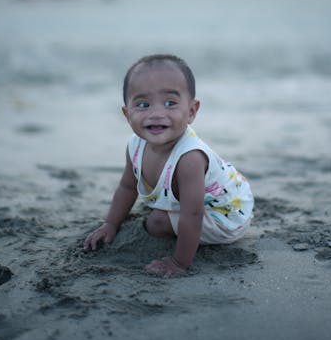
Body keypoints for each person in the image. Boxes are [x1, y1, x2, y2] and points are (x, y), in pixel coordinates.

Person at [83, 54, 254, 277]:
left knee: (157, 222)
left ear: (192, 111)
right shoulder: (135, 145)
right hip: (211, 196)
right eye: (143, 104)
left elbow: (193, 215)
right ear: (127, 114)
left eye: (170, 103)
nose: (156, 114)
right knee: (159, 209)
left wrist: (179, 263)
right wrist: (111, 224)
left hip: (227, 214)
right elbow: (127, 186)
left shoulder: (189, 159)